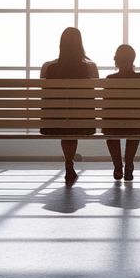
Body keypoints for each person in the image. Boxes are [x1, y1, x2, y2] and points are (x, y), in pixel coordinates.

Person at [39, 27, 99, 183]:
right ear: (80, 44)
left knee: (66, 117)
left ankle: (69, 162)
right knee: (73, 117)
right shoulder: (90, 67)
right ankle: (69, 162)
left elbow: (45, 95)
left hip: (51, 123)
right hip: (84, 123)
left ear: (61, 44)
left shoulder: (47, 67)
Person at [103, 45, 140, 181]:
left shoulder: (109, 79)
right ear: (133, 60)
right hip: (134, 126)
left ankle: (118, 166)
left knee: (108, 127)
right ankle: (129, 165)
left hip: (113, 126)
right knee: (136, 124)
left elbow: (106, 108)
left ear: (117, 60)